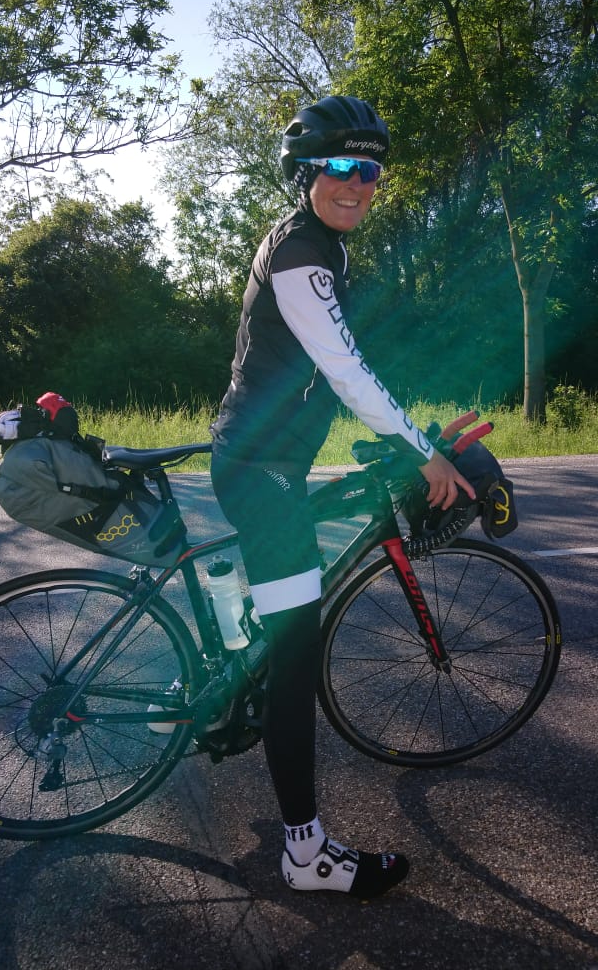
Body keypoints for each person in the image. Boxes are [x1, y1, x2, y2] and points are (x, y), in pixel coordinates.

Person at [209, 95, 473, 898]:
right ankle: (307, 855)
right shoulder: (302, 253)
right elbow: (345, 369)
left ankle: (235, 684)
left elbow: (350, 361)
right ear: (306, 172)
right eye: (341, 167)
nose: (358, 183)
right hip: (261, 470)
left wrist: (414, 432)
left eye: (370, 171)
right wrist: (423, 452)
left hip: (267, 463)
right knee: (296, 659)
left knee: (284, 625)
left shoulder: (317, 245)